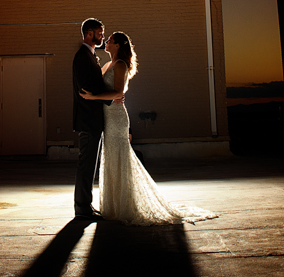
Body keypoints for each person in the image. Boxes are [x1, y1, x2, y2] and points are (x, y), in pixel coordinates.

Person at [80, 31, 217, 225]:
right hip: (106, 118)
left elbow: (117, 92)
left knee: (119, 158)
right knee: (111, 158)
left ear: (118, 45)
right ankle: (114, 205)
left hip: (117, 118)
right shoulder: (107, 65)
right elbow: (103, 88)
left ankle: (124, 206)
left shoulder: (120, 65)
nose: (107, 42)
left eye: (110, 40)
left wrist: (93, 97)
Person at [72, 18, 121, 220]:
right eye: (100, 33)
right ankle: (82, 208)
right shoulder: (82, 56)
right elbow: (86, 88)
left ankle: (85, 206)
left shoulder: (90, 56)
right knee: (86, 164)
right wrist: (112, 96)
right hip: (88, 119)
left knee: (89, 164)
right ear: (89, 33)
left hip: (92, 119)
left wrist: (113, 94)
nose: (102, 36)